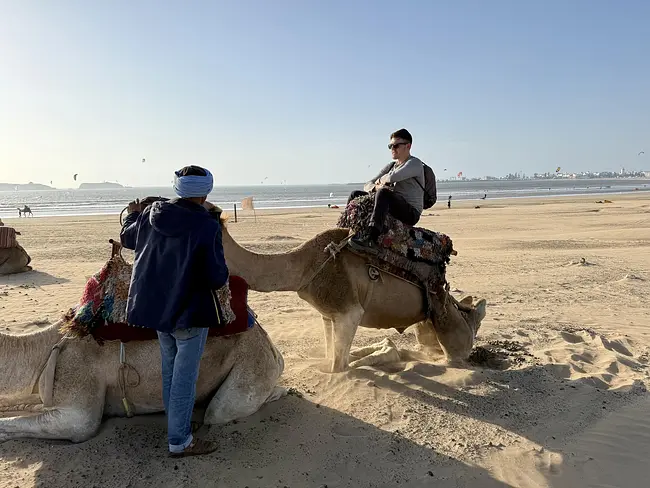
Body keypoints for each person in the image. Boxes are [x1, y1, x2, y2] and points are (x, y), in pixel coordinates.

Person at [120, 165, 228, 458]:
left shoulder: (150, 213)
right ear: (206, 191)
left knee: (170, 371)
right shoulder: (206, 225)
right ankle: (180, 440)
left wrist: (132, 213)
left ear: (177, 188)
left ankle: (176, 427)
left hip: (157, 309)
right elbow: (217, 277)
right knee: (184, 378)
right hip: (189, 312)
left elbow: (127, 239)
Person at [348, 128, 425, 247]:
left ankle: (371, 237)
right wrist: (375, 187)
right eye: (390, 146)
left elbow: (393, 177)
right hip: (391, 205)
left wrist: (380, 183)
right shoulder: (391, 166)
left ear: (408, 146)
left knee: (384, 193)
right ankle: (347, 229)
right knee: (355, 194)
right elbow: (367, 184)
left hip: (410, 212)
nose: (392, 149)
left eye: (396, 145)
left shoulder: (415, 163)